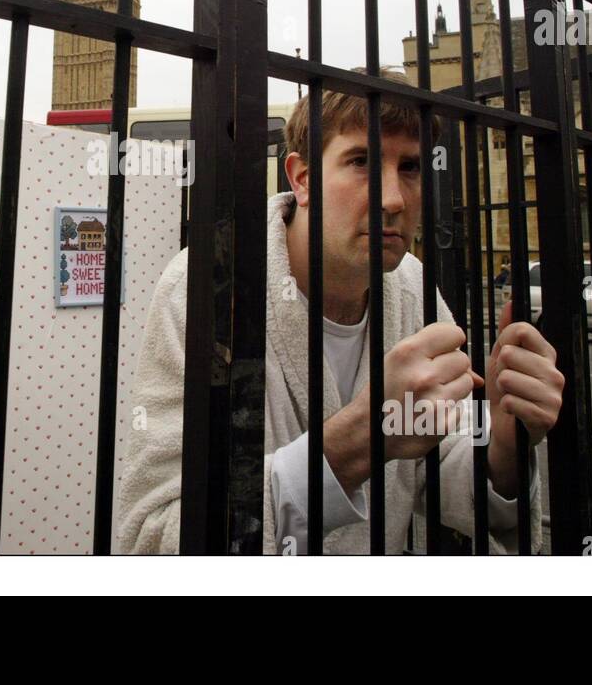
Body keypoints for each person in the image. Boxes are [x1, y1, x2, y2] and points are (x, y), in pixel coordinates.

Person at [115, 68, 564, 554]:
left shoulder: (413, 286)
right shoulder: (205, 284)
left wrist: (505, 443)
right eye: (361, 161)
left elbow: (437, 469)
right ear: (302, 179)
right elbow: (152, 535)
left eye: (410, 167)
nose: (393, 199)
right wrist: (360, 438)